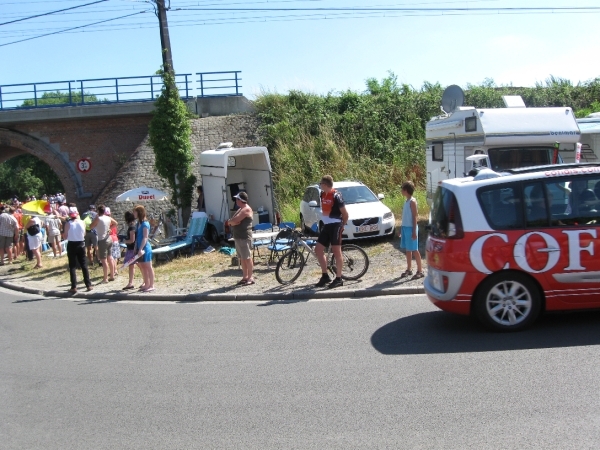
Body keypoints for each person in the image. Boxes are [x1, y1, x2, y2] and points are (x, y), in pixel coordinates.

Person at [314, 175, 348, 289]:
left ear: (325, 184)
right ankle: (325, 276)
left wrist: (342, 225)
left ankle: (339, 278)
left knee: (336, 251)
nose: (320, 186)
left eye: (321, 184)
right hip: (327, 225)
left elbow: (345, 213)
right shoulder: (322, 194)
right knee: (318, 249)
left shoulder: (336, 195)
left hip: (336, 225)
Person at [62, 206, 92, 293]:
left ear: (70, 215)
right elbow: (85, 233)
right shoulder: (82, 222)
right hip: (81, 243)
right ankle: (88, 284)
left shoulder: (68, 224)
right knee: (83, 264)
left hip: (72, 244)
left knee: (72, 265)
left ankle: (74, 286)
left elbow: (65, 236)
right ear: (77, 213)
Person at [227, 191, 254, 285]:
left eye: (237, 199)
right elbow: (231, 221)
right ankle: (245, 276)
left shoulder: (246, 209)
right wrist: (232, 222)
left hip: (244, 237)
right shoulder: (240, 209)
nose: (235, 201)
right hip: (238, 237)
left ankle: (251, 277)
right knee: (242, 258)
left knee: (247, 257)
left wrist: (232, 222)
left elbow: (235, 220)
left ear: (240, 200)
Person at [399, 181, 423, 280]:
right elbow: (405, 217)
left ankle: (420, 270)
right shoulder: (406, 201)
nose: (401, 191)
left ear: (406, 190)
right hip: (405, 228)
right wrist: (401, 229)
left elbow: (414, 217)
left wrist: (414, 231)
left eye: (402, 189)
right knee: (408, 250)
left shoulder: (412, 201)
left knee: (414, 250)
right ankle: (409, 269)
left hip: (411, 228)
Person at [90, 204, 118, 283]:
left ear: (98, 211)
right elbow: (116, 223)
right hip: (109, 238)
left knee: (104, 260)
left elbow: (91, 226)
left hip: (102, 240)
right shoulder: (108, 217)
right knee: (110, 257)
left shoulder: (98, 218)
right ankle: (112, 275)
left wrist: (94, 220)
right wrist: (110, 228)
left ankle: (105, 278)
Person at [133, 205, 154, 292]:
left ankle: (151, 285)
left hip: (145, 248)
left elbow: (145, 237)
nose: (134, 213)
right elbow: (138, 236)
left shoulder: (145, 223)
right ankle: (146, 284)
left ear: (139, 212)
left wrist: (141, 248)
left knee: (148, 266)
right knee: (143, 266)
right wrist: (135, 247)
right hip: (139, 247)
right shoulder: (138, 224)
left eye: (135, 212)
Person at [121, 211, 138, 290]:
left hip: (132, 249)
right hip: (132, 249)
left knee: (139, 265)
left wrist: (124, 241)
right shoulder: (134, 226)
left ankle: (145, 280)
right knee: (132, 266)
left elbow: (132, 240)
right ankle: (130, 283)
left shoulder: (132, 227)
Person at [106, 207, 121, 276]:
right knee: (115, 257)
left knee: (111, 256)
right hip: (116, 239)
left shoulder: (106, 223)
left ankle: (113, 270)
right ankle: (115, 270)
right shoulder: (113, 222)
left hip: (110, 239)